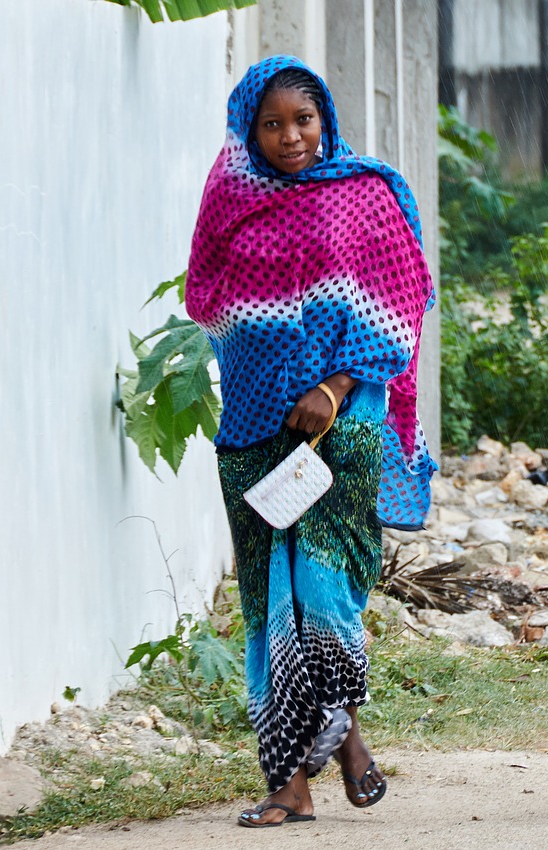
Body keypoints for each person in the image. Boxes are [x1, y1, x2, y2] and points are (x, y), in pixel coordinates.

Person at [186, 55, 436, 828]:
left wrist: (329, 388)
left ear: (324, 119)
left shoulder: (365, 194)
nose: (291, 137)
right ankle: (295, 779)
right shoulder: (229, 198)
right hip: (254, 429)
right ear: (247, 130)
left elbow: (401, 300)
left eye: (304, 120)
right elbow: (208, 298)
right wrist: (275, 370)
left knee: (322, 586)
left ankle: (339, 734)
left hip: (345, 424)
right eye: (272, 123)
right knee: (268, 603)